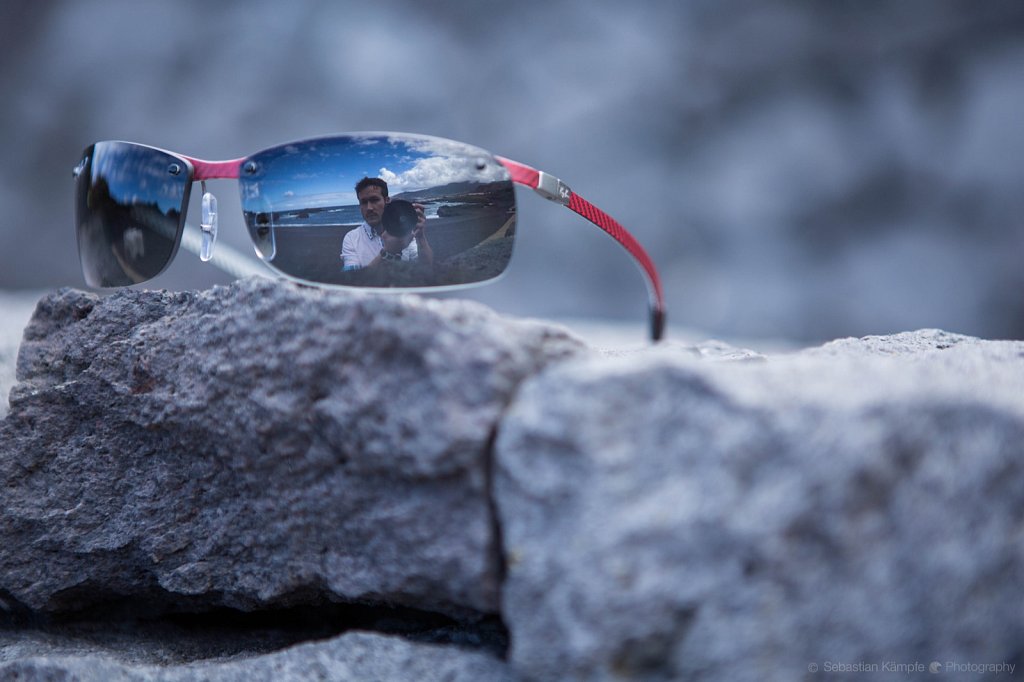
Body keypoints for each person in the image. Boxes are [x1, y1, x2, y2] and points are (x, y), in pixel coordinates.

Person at [340, 177, 433, 270]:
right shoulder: (352, 238)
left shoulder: (404, 231)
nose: (369, 208)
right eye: (363, 202)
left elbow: (426, 267)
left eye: (374, 200)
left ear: (387, 201)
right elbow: (352, 279)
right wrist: (387, 252)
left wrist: (420, 236)